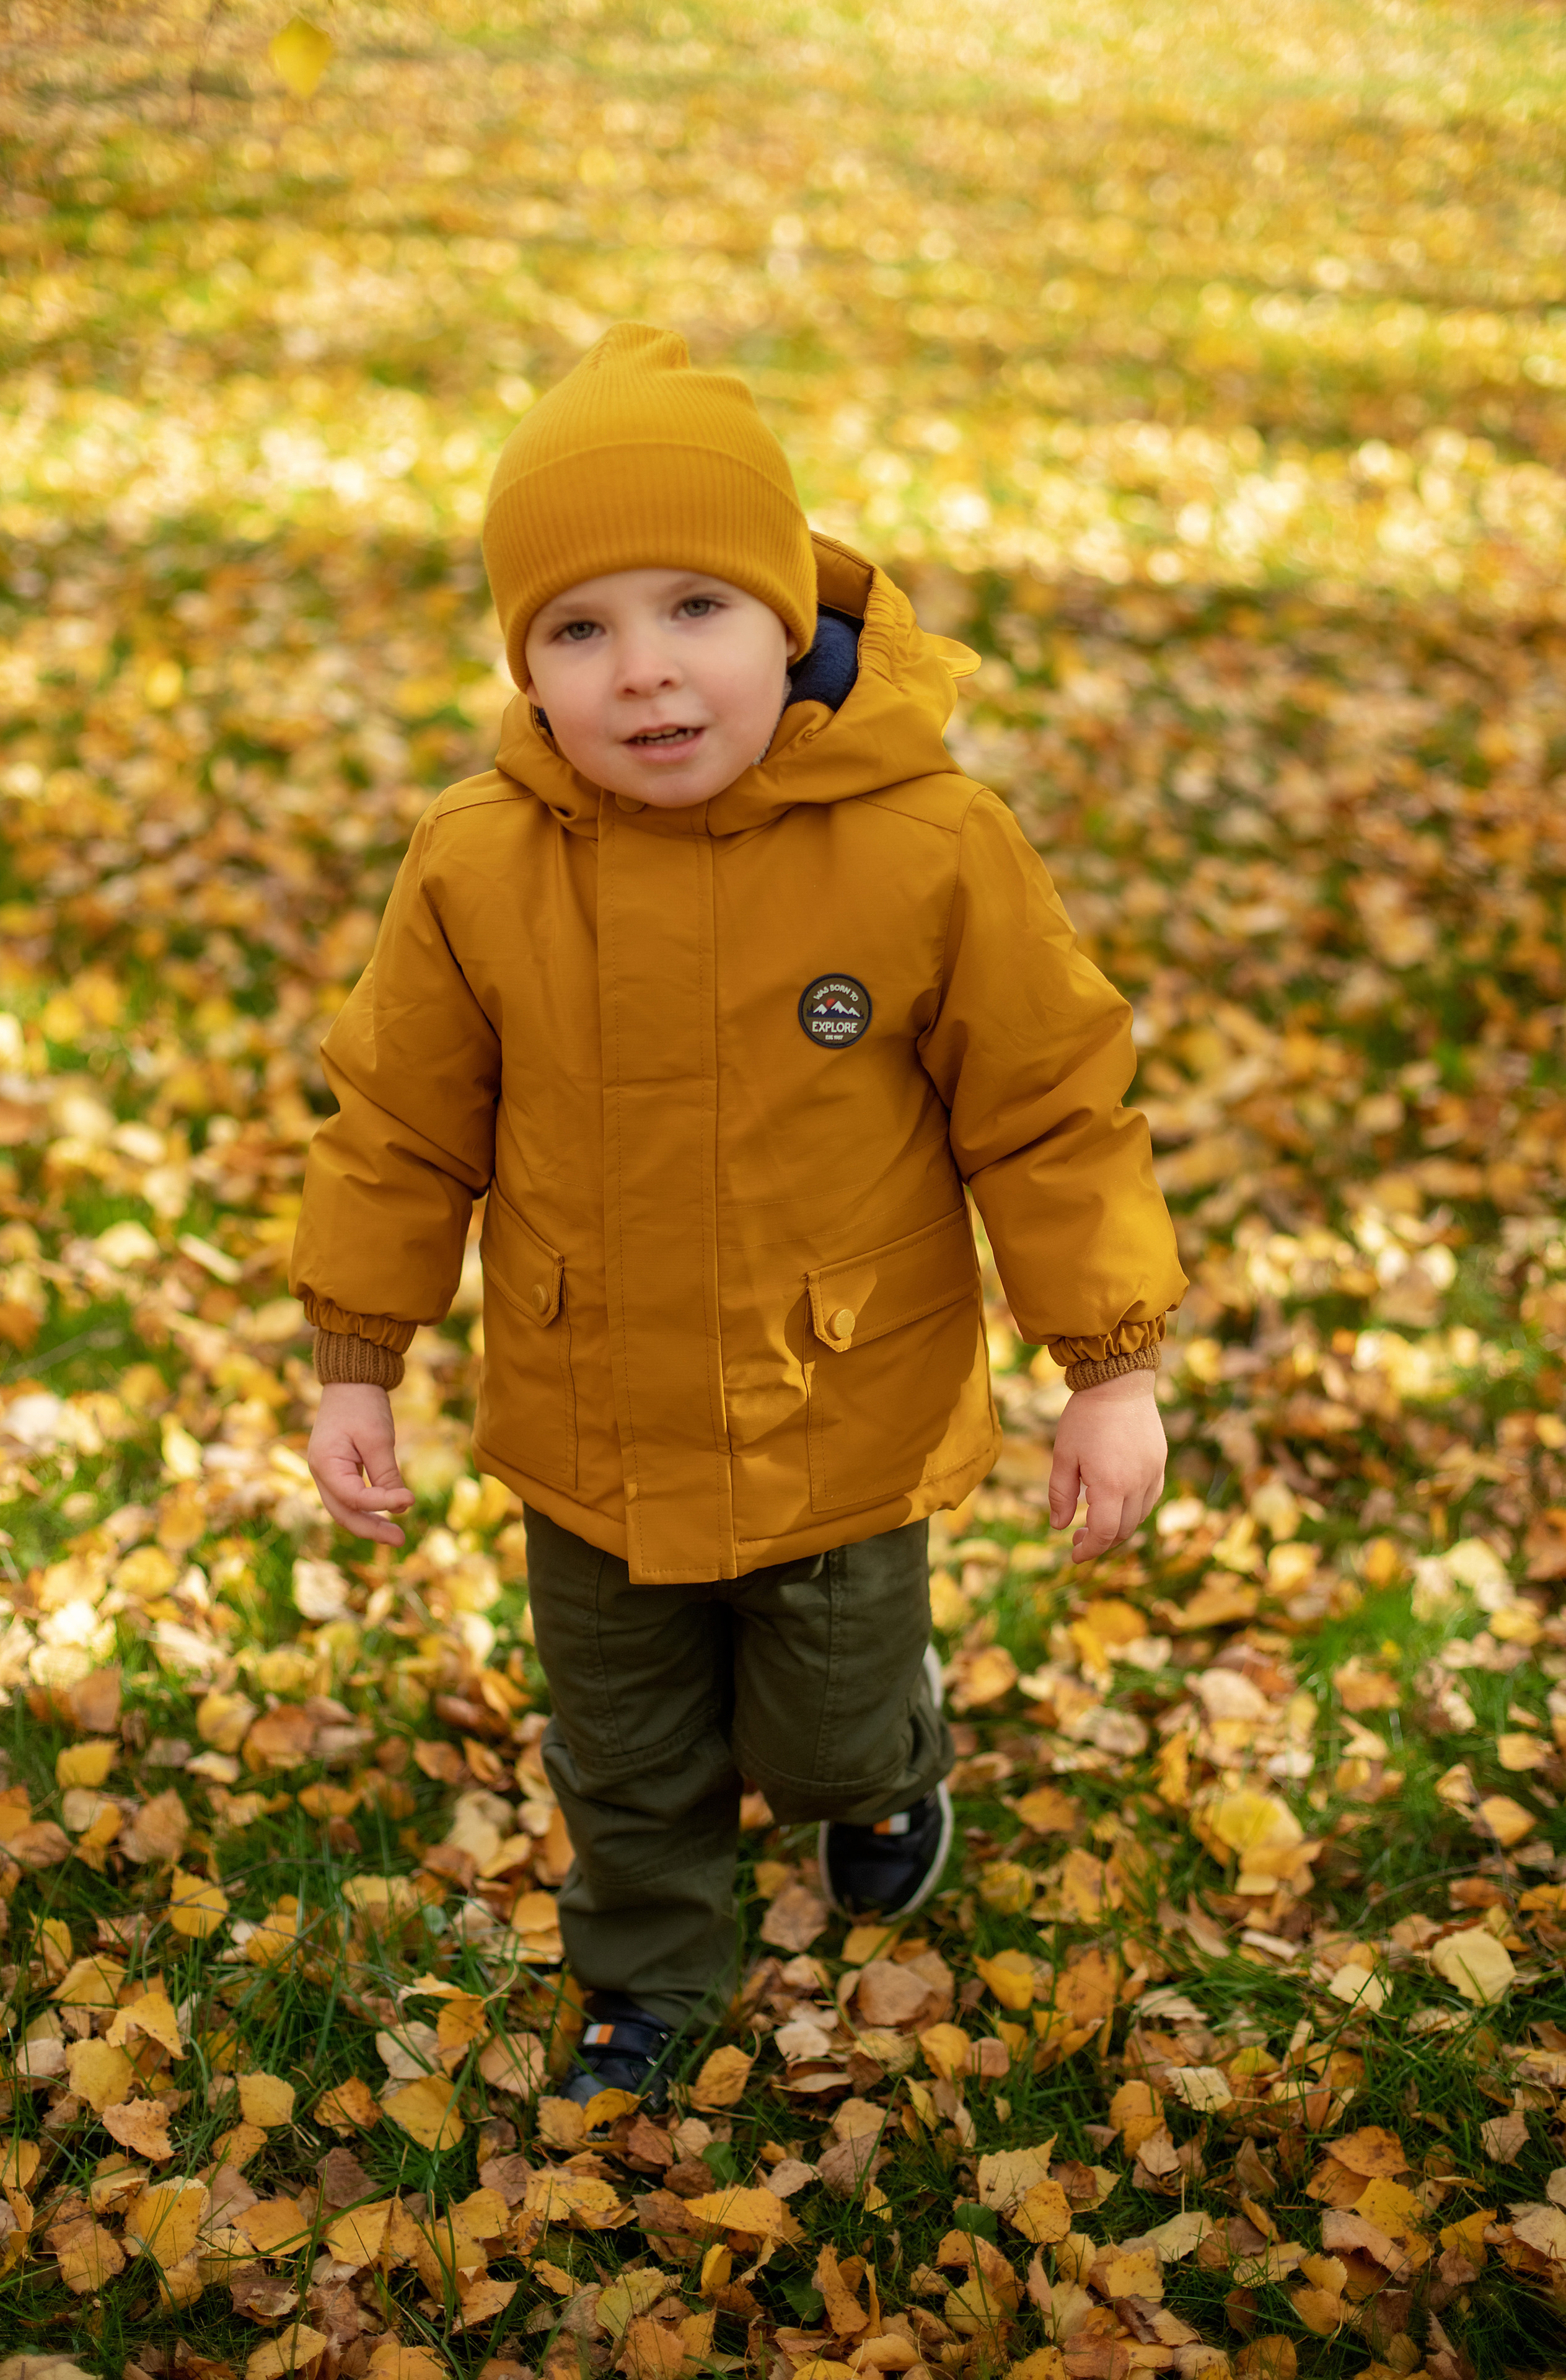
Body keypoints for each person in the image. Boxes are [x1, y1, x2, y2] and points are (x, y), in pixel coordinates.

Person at [292, 322, 1185, 2107]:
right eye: (579, 628)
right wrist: (355, 1358)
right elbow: (399, 1123)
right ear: (528, 671)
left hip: (833, 1412)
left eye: (695, 607)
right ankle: (650, 1979)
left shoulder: (928, 843)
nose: (644, 672)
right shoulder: (480, 860)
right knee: (626, 1750)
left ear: (792, 617)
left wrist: (1109, 1365)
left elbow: (1052, 1111)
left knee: (822, 1735)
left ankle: (896, 1768)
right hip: (587, 1412)